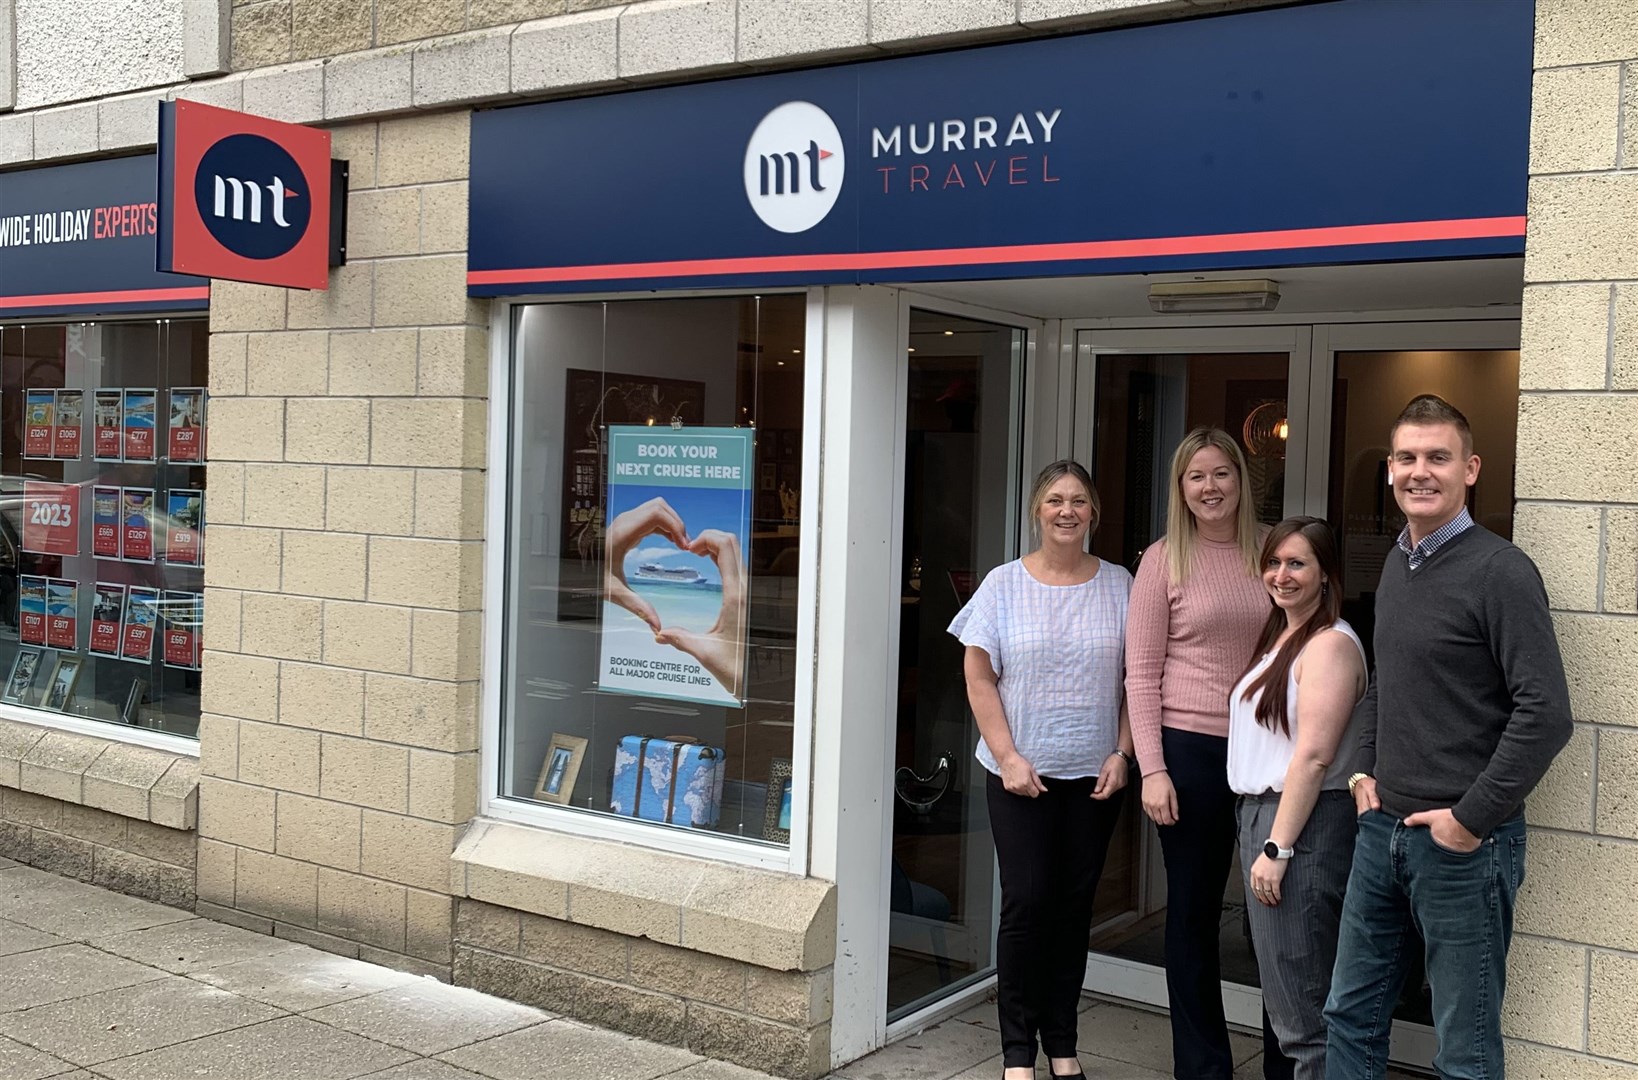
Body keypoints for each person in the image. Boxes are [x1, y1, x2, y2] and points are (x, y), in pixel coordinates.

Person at [1323, 395, 1573, 1079]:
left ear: (1471, 469)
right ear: (1390, 470)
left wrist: (1470, 818)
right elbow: (1384, 683)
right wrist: (1360, 773)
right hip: (1382, 831)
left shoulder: (1501, 571)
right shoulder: (1400, 565)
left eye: (1438, 457)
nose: (1419, 471)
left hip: (1466, 847)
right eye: (1406, 457)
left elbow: (1546, 713)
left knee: (1463, 1047)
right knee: (1349, 1015)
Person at [949, 459, 1136, 1080]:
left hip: (1095, 776)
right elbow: (978, 675)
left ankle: (1062, 1042)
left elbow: (1141, 678)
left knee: (1074, 906)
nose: (1066, 510)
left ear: (1094, 512)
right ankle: (1016, 1052)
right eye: (1055, 500)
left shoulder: (1121, 584)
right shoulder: (1003, 585)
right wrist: (1006, 757)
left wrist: (1123, 752)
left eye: (1079, 500)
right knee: (1028, 904)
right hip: (1018, 775)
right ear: (1037, 510)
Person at [1125, 427, 1276, 1080]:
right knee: (1193, 914)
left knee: (1278, 916)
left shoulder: (1275, 549)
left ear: (1241, 480)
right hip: (1189, 752)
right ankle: (1204, 1067)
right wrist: (1152, 769)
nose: (1210, 487)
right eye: (1196, 477)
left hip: (1269, 751)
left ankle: (1288, 1061)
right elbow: (1139, 671)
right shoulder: (1162, 559)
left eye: (1221, 474)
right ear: (1180, 490)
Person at [1227, 518, 1366, 1080]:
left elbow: (1313, 757)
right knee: (1292, 1003)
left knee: (1305, 1019)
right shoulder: (1284, 636)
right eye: (1274, 562)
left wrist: (1277, 848)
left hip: (1300, 825)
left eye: (1297, 564)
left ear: (1327, 574)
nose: (1281, 575)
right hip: (1269, 816)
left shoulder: (1330, 644)